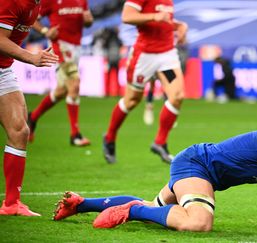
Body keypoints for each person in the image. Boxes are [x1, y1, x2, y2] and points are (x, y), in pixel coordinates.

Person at [53, 95, 257, 235]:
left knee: (161, 207)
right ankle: (131, 210)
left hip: (204, 170)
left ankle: (82, 204)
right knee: (198, 222)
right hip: (198, 165)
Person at [102, 0, 188, 164]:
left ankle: (160, 142)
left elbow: (164, 22)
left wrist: (179, 26)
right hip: (144, 56)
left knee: (177, 96)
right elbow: (127, 16)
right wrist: (155, 16)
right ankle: (109, 136)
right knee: (132, 100)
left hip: (166, 56)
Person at [0, 0, 58, 216]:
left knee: (20, 130)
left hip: (3, 70)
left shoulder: (37, 4)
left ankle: (11, 204)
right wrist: (31, 57)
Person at [27, 0, 94, 146]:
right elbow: (31, 18)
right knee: (74, 85)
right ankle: (75, 135)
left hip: (76, 48)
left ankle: (32, 117)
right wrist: (46, 31)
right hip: (61, 46)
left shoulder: (82, 1)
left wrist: (89, 21)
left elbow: (88, 21)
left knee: (62, 91)